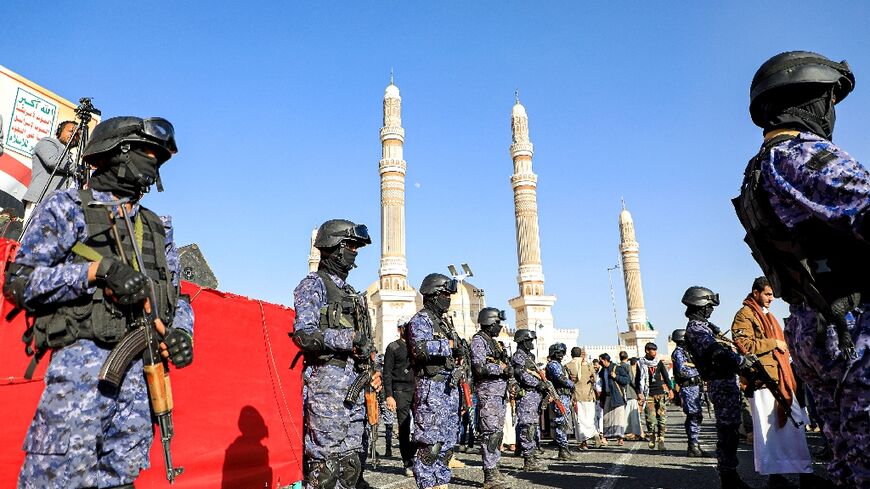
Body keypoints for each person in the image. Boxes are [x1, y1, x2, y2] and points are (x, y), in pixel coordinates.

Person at [4, 116, 194, 488]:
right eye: (147, 153)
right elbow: (19, 282)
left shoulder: (158, 228)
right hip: (82, 377)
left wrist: (183, 332)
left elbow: (178, 294)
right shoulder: (67, 207)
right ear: (116, 153)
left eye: (159, 156)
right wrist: (94, 273)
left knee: (122, 480)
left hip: (142, 382)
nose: (153, 163)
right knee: (56, 479)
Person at [735, 50, 868, 489]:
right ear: (809, 99)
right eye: (827, 100)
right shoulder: (801, 155)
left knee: (851, 456)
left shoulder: (759, 168)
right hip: (850, 323)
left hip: (817, 322)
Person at [291, 219, 381, 489]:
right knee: (326, 467)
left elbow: (367, 342)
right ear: (334, 247)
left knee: (351, 464)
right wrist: (348, 339)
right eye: (351, 246)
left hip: (356, 385)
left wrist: (373, 371)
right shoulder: (312, 285)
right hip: (328, 386)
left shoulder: (353, 294)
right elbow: (304, 334)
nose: (354, 252)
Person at [731, 277, 824, 487]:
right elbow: (743, 344)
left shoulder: (769, 316)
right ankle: (776, 478)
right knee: (770, 434)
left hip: (781, 380)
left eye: (772, 294)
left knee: (794, 431)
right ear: (755, 293)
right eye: (767, 294)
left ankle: (804, 474)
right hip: (764, 382)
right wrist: (774, 343)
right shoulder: (744, 315)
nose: (771, 298)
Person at [681, 286, 755, 488]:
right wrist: (742, 361)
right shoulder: (696, 329)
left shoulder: (705, 327)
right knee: (728, 431)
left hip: (725, 381)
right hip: (721, 382)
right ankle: (729, 476)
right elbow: (717, 354)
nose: (711, 310)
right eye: (709, 306)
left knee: (730, 430)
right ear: (701, 306)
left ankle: (729, 474)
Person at [407, 273, 461, 489]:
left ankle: (441, 483)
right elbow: (419, 349)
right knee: (430, 446)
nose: (448, 299)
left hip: (449, 388)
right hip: (431, 387)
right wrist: (448, 345)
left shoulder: (445, 323)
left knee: (446, 445)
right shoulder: (420, 320)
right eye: (445, 294)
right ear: (433, 295)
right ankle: (428, 484)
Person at [470, 307, 513, 488]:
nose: (499, 327)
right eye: (497, 323)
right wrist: (501, 369)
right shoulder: (479, 341)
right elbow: (479, 367)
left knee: (497, 433)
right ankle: (489, 474)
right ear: (489, 322)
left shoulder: (493, 342)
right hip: (488, 392)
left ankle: (495, 467)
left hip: (499, 393)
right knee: (490, 433)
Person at [22, 121, 79, 222]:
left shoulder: (71, 157)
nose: (74, 135)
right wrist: (79, 169)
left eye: (77, 134)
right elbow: (53, 161)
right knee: (31, 236)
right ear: (59, 131)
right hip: (41, 200)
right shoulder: (47, 142)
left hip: (59, 207)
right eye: (71, 131)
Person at [511, 328, 549, 471]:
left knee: (532, 427)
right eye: (529, 340)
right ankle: (528, 458)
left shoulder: (530, 357)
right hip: (526, 395)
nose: (531, 343)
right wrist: (538, 383)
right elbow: (520, 375)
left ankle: (531, 455)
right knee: (527, 427)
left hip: (534, 395)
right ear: (523, 341)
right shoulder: (519, 356)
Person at [671, 329, 709, 457]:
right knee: (694, 416)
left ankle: (693, 445)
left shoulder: (686, 352)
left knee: (696, 416)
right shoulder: (678, 353)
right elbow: (683, 371)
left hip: (694, 388)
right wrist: (700, 370)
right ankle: (693, 446)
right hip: (689, 388)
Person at [384, 323, 415, 476]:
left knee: (423, 425)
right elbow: (387, 373)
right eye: (405, 327)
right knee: (404, 428)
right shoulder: (393, 347)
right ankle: (407, 462)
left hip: (416, 390)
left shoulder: (417, 346)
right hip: (400, 391)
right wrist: (389, 395)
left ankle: (418, 458)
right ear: (399, 329)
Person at [544, 343, 580, 461]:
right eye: (560, 352)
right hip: (559, 396)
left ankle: (565, 448)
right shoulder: (553, 365)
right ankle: (562, 450)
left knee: (564, 423)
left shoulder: (559, 364)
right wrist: (571, 384)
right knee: (561, 423)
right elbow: (559, 378)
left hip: (564, 396)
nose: (562, 355)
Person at [637, 343, 673, 450]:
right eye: (653, 350)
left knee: (661, 418)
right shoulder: (641, 363)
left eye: (656, 350)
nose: (655, 352)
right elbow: (637, 380)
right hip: (648, 394)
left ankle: (661, 440)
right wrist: (639, 393)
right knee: (650, 419)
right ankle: (652, 437)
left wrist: (670, 389)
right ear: (647, 351)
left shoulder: (659, 363)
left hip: (660, 393)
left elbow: (666, 377)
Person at [565, 347, 598, 449]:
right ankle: (595, 434)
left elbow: (567, 382)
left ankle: (584, 442)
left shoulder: (568, 366)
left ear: (571, 354)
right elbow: (595, 379)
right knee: (589, 418)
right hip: (589, 395)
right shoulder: (588, 365)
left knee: (580, 419)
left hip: (577, 396)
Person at [598, 353, 629, 446]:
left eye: (601, 360)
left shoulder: (617, 368)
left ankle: (620, 438)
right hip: (607, 396)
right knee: (606, 418)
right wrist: (601, 399)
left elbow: (626, 380)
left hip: (617, 397)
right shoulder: (603, 371)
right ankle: (605, 437)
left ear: (605, 360)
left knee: (618, 418)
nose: (600, 362)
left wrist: (616, 377)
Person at [617, 351, 643, 442]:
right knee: (633, 415)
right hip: (631, 393)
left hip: (621, 393)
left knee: (624, 414)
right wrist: (638, 392)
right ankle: (636, 433)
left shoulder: (617, 367)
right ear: (627, 358)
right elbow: (632, 380)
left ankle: (624, 432)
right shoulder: (627, 367)